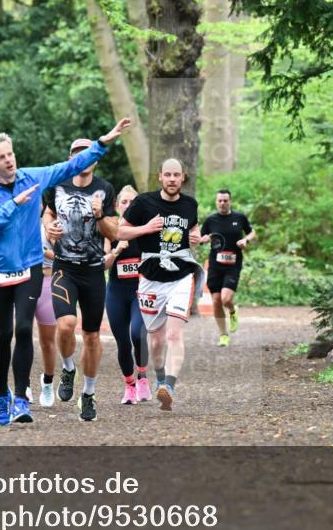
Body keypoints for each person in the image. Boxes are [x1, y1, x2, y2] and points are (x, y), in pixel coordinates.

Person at [0, 118, 131, 427]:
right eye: (1, 157)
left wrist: (103, 142)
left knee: (23, 329)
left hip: (31, 267)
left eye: (10, 153)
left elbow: (70, 167)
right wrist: (14, 204)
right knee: (3, 335)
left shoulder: (32, 177)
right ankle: (2, 395)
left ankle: (20, 399)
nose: (9, 160)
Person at [119, 158, 203, 411]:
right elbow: (120, 232)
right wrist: (145, 228)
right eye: (168, 175)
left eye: (176, 175)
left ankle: (170, 386)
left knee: (174, 334)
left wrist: (195, 237)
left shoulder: (190, 204)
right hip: (151, 278)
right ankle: (159, 378)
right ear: (160, 177)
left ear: (183, 177)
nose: (172, 179)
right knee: (156, 341)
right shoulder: (144, 202)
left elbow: (194, 228)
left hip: (181, 275)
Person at [42, 138, 118, 421]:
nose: (83, 158)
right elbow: (48, 213)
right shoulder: (57, 185)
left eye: (87, 154)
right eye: (77, 154)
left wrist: (99, 215)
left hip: (93, 270)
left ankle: (88, 393)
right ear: (70, 158)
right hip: (64, 268)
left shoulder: (105, 189)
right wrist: (49, 227)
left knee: (92, 335)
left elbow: (113, 232)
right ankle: (68, 367)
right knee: (65, 325)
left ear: (95, 159)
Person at [103, 185, 150, 405]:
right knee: (123, 342)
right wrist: (117, 249)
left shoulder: (145, 229)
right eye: (124, 202)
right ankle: (129, 386)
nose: (128, 206)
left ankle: (143, 377)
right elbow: (104, 264)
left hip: (140, 291)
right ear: (117, 205)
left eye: (133, 202)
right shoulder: (110, 229)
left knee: (138, 334)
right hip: (116, 293)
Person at [199, 189, 256, 347]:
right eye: (220, 201)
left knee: (226, 299)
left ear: (230, 201)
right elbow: (202, 238)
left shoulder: (239, 218)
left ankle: (232, 310)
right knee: (216, 300)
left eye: (225, 200)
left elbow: (252, 233)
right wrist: (204, 239)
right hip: (215, 265)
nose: (222, 203)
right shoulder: (210, 220)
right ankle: (223, 335)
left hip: (233, 265)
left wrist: (245, 240)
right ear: (216, 202)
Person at [33, 209, 58, 407]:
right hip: (24, 280)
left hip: (48, 282)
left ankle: (48, 382)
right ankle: (23, 385)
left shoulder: (55, 224)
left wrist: (43, 252)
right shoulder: (19, 221)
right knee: (21, 333)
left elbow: (66, 258)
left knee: (47, 341)